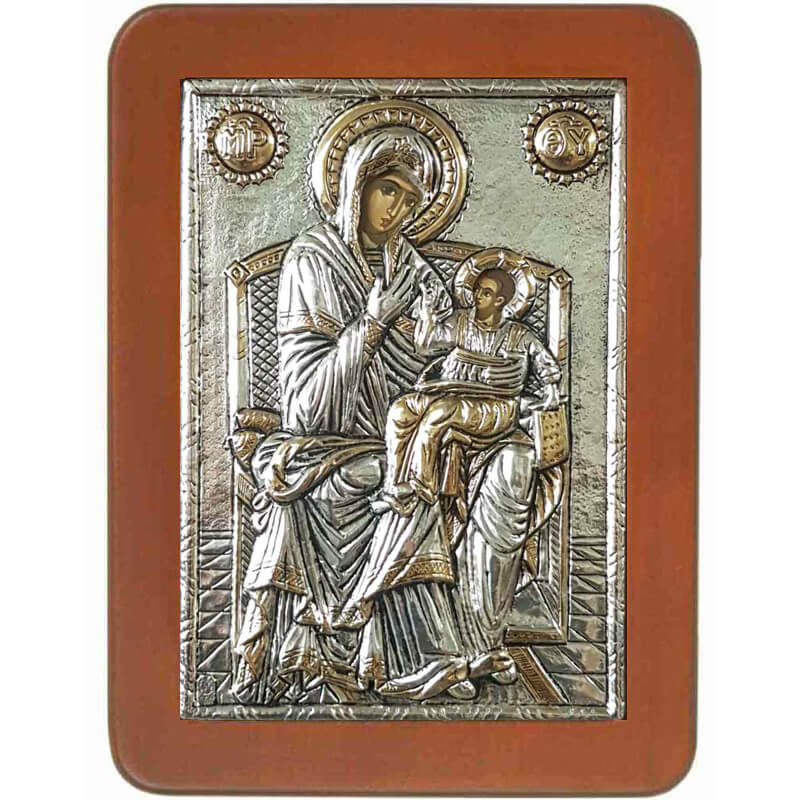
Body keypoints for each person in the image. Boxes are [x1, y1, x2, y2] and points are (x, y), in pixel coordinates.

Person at [232, 126, 456, 703]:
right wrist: (375, 322)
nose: (398, 211)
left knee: (409, 480)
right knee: (376, 486)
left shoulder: (410, 268)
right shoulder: (312, 260)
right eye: (389, 191)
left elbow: (432, 363)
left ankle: (421, 659)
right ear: (357, 185)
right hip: (322, 441)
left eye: (411, 201)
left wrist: (435, 342)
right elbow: (307, 405)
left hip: (394, 436)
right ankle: (335, 647)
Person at [376, 264, 561, 518]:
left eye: (486, 293)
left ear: (500, 301)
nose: (477, 296)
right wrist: (428, 312)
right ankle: (393, 486)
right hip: (453, 394)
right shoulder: (461, 322)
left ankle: (421, 485)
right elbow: (427, 345)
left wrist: (551, 390)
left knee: (439, 414)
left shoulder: (519, 335)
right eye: (477, 290)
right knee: (401, 409)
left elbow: (545, 363)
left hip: (497, 407)